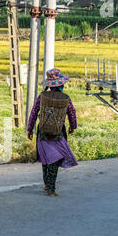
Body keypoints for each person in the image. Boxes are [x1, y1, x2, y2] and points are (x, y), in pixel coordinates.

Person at [27, 68, 78, 196]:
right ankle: (51, 188)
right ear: (61, 84)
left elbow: (34, 113)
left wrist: (30, 129)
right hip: (58, 134)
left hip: (43, 133)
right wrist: (73, 126)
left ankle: (47, 185)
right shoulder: (66, 98)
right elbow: (72, 113)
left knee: (45, 159)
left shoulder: (42, 97)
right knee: (55, 160)